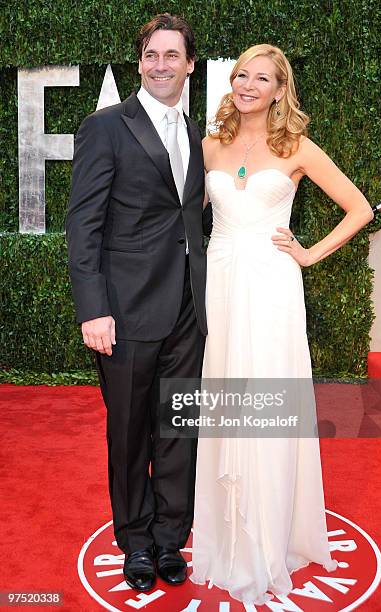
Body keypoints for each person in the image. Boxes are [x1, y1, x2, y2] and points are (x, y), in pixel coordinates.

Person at [190, 44, 374, 604]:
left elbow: (359, 208)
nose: (248, 84)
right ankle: (226, 532)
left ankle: (267, 539)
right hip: (218, 285)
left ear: (278, 89)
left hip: (271, 287)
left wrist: (310, 253)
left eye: (261, 78)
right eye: (242, 74)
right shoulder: (209, 145)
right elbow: (183, 214)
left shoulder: (296, 147)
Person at [66, 14, 207, 592]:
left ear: (189, 65)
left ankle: (172, 539)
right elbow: (83, 225)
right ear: (139, 62)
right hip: (123, 313)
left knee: (178, 428)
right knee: (128, 433)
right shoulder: (106, 127)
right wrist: (92, 308)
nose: (160, 65)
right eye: (151, 55)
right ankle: (137, 541)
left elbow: (191, 218)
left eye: (172, 55)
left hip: (187, 311)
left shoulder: (197, 132)